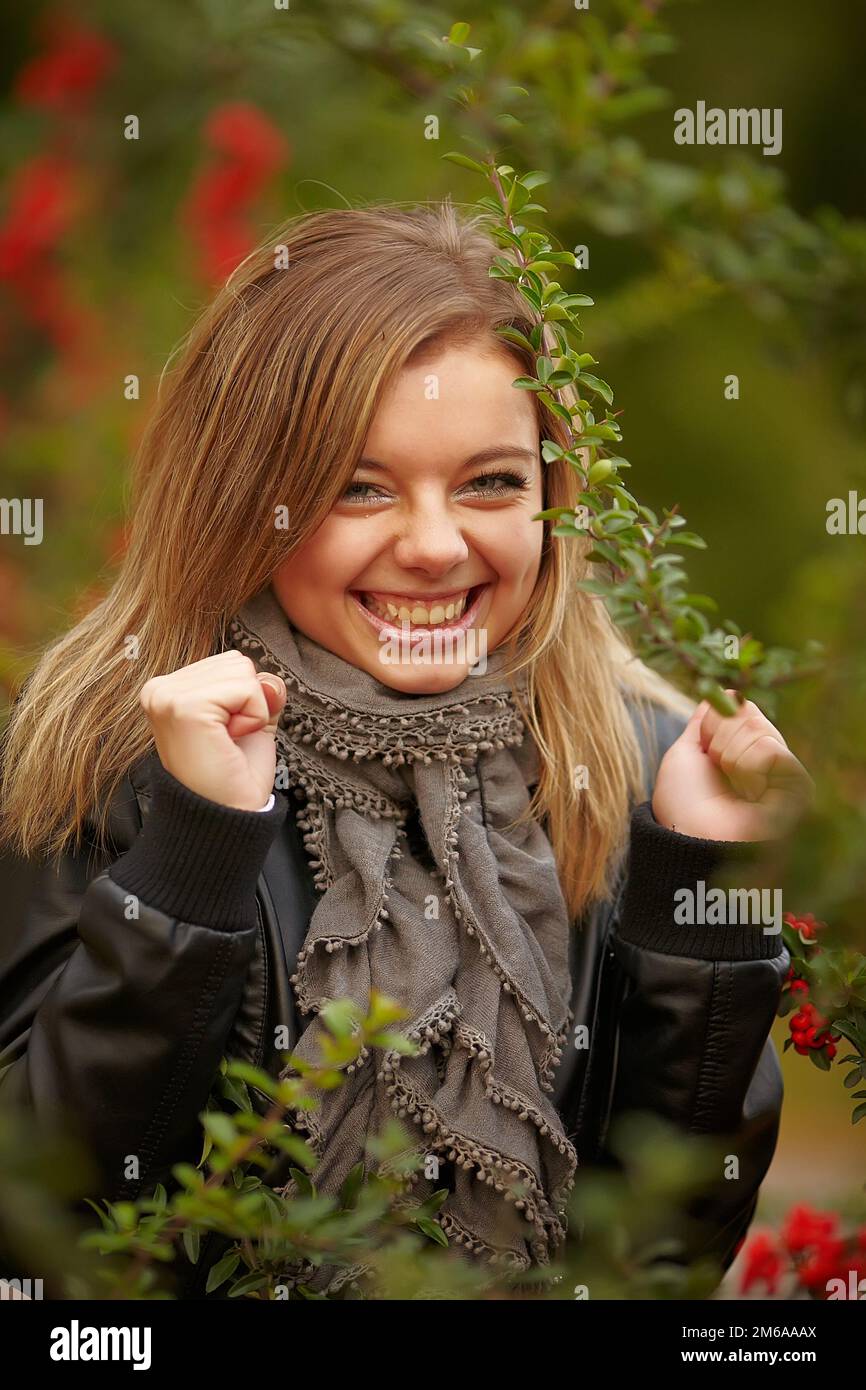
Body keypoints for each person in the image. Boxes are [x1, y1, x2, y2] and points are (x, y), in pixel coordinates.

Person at [0, 201, 812, 1299]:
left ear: (551, 496)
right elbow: (42, 1229)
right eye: (359, 486)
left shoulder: (640, 771)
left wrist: (703, 905)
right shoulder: (100, 760)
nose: (433, 546)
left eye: (488, 482)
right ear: (246, 497)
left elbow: (657, 1265)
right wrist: (191, 861)